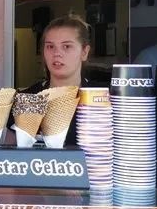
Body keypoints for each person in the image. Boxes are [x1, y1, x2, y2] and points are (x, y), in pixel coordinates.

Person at [13, 14, 100, 146]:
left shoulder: (101, 98)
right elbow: (13, 152)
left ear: (84, 52)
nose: (57, 53)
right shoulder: (28, 98)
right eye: (50, 46)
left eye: (67, 46)